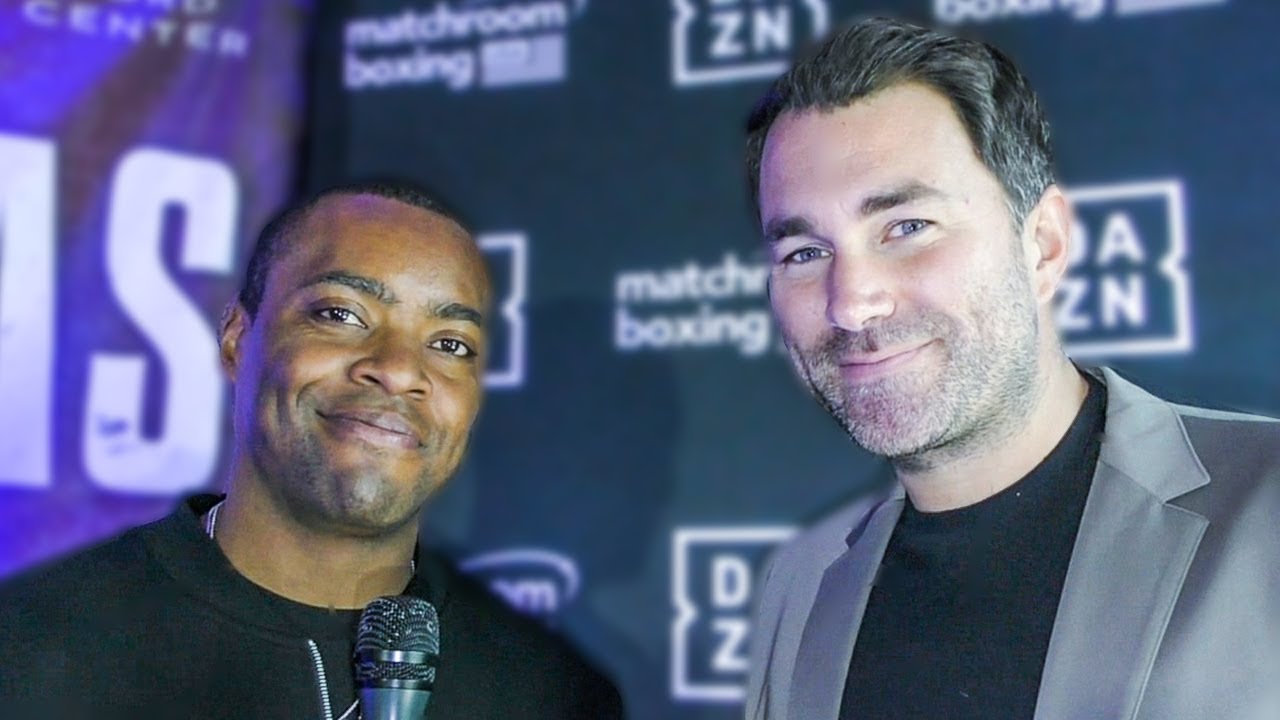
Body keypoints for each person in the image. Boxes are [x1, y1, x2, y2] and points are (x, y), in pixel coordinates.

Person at [742, 16, 1280, 720]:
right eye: (805, 253)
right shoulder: (802, 583)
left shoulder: (1267, 507)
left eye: (907, 227)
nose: (852, 302)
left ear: (1044, 245)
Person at [0, 182, 623, 719]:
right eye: (342, 314)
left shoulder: (552, 696)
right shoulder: (30, 647)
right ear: (236, 339)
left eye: (451, 344)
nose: (398, 370)